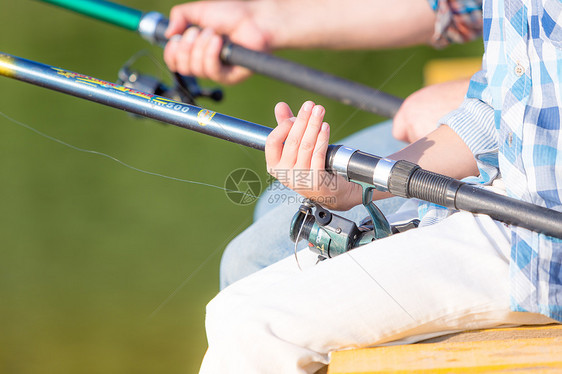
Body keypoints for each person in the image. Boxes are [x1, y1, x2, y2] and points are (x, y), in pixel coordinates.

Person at [164, 0, 562, 373]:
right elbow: (496, 109)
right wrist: (355, 189)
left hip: (541, 243)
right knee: (231, 311)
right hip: (506, 194)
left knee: (252, 327)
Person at [163, 0, 483, 288]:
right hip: (480, 101)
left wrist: (468, 99)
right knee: (275, 202)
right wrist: (259, 19)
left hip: (505, 131)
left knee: (250, 262)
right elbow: (455, 6)